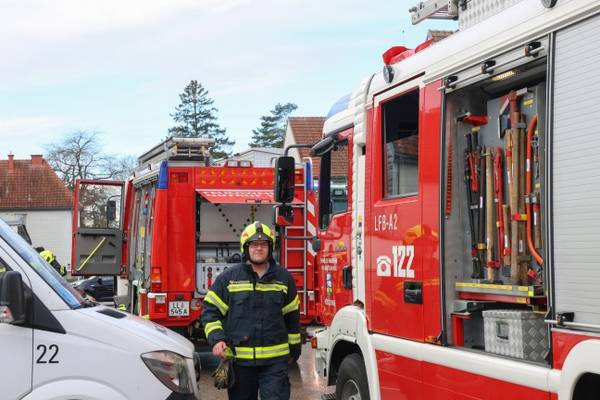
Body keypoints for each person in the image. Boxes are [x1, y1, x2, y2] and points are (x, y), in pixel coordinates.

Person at [201, 221, 301, 400]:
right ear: (245, 248)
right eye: (254, 244)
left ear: (270, 248)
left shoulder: (284, 279)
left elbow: (292, 317)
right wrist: (217, 339)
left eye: (263, 244)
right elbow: (210, 311)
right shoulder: (229, 279)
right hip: (240, 364)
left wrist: (294, 350)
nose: (259, 248)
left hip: (275, 364)